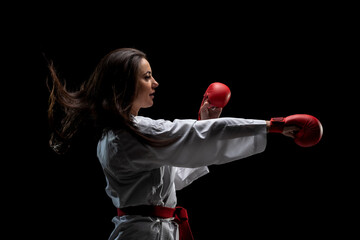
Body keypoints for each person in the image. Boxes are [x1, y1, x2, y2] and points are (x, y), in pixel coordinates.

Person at [47, 48, 298, 240]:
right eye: (147, 77)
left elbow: (170, 178)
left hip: (153, 231)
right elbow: (191, 134)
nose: (155, 83)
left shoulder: (119, 132)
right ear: (124, 85)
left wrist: (204, 123)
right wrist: (273, 125)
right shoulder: (129, 133)